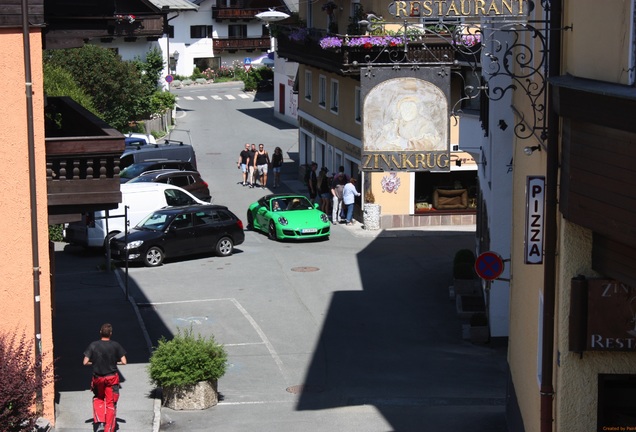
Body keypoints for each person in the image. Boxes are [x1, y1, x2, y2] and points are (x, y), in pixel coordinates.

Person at [83, 323, 127, 432]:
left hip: (98, 379)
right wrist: (114, 362)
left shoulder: (93, 345)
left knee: (98, 398)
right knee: (110, 403)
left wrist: (94, 362)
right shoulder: (116, 345)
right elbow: (124, 361)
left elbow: (85, 362)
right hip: (111, 379)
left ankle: (100, 422)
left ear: (100, 332)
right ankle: (109, 428)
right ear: (111, 334)